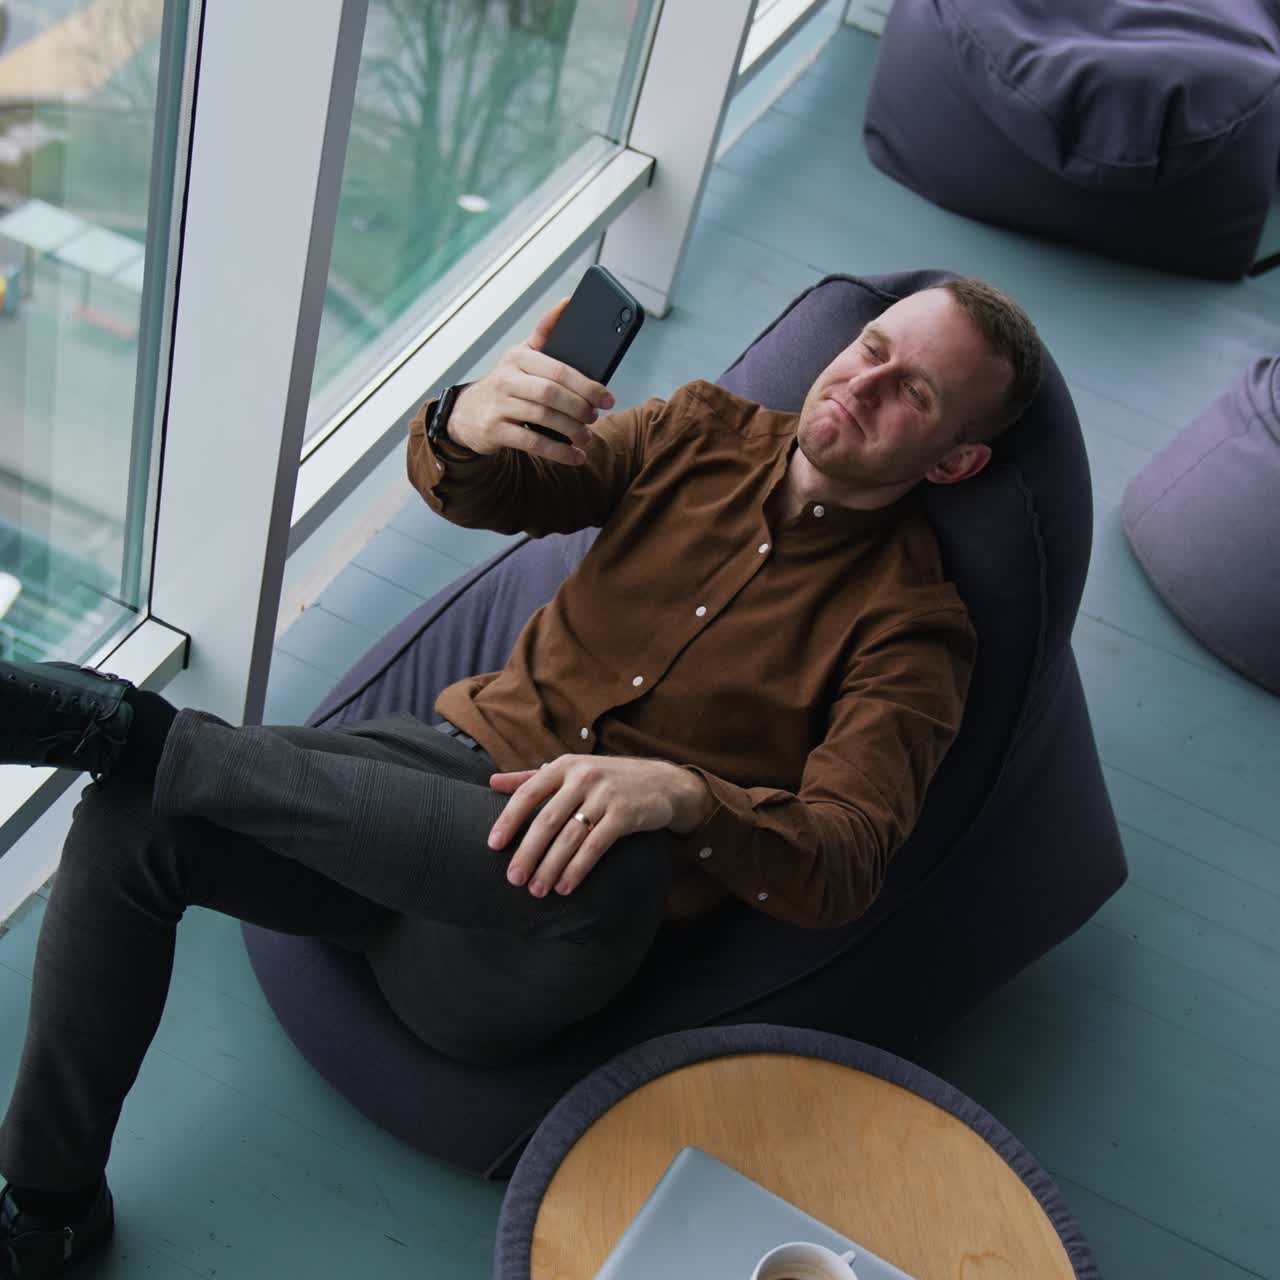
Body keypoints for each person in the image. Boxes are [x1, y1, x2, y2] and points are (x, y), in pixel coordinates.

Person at [0, 276, 1040, 1277]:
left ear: (952, 463)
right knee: (131, 817)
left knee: (618, 856)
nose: (860, 381)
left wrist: (683, 795)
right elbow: (500, 492)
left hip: (516, 937)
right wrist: (467, 423)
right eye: (871, 347)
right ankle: (46, 1207)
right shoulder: (698, 427)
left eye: (913, 390)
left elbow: (842, 858)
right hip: (415, 789)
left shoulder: (912, 629)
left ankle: (132, 727)